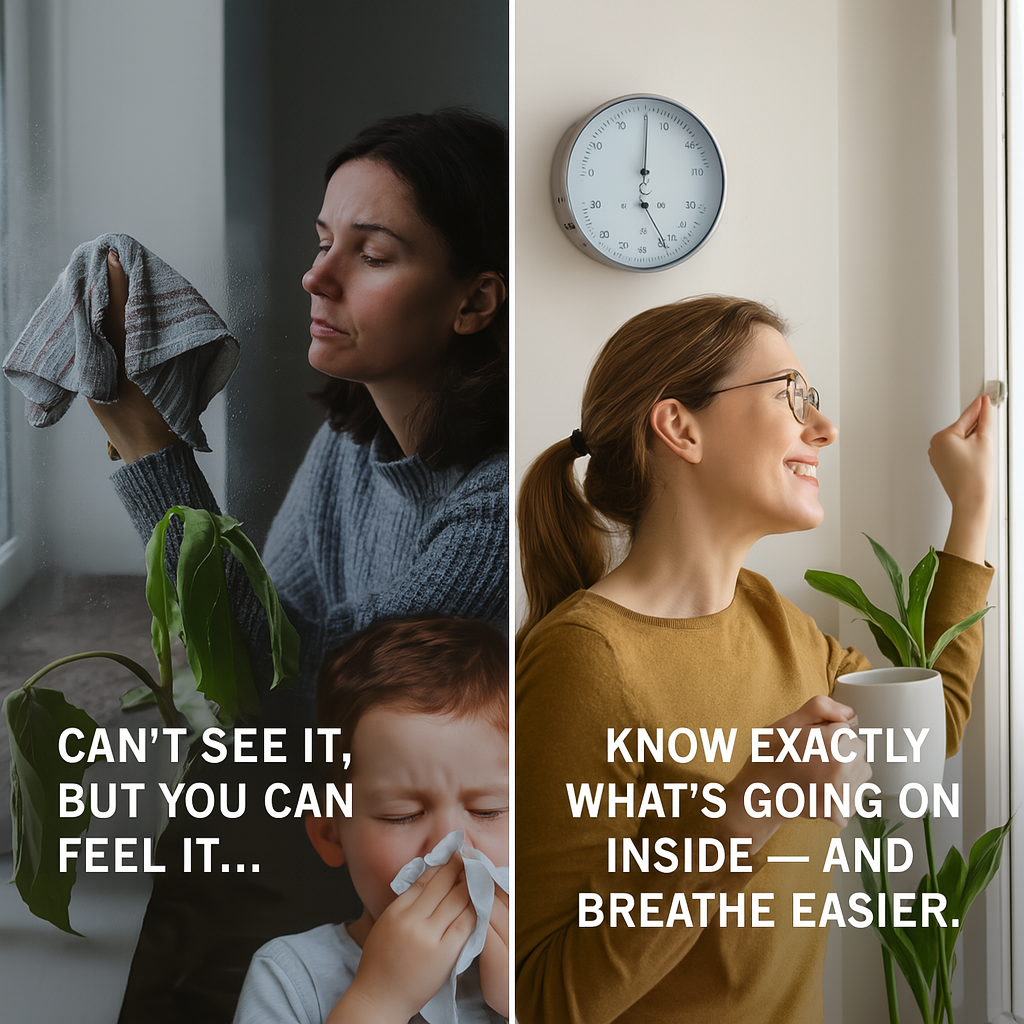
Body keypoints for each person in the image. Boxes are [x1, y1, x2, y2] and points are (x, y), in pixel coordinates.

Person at [87, 108, 509, 1022]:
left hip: (407, 885)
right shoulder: (352, 445)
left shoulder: (496, 510)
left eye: (373, 253)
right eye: (324, 242)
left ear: (475, 302)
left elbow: (295, 695)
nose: (317, 276)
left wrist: (147, 444)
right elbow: (264, 662)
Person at [515, 296, 994, 1024]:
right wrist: (750, 810)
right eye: (791, 394)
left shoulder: (772, 618)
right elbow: (541, 998)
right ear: (680, 428)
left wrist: (973, 509)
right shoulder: (585, 658)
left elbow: (928, 731)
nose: (824, 427)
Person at [232, 616, 509, 1024]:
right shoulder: (291, 975)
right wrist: (378, 1001)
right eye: (402, 816)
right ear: (331, 834)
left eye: (488, 810)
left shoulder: (554, 963)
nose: (452, 848)